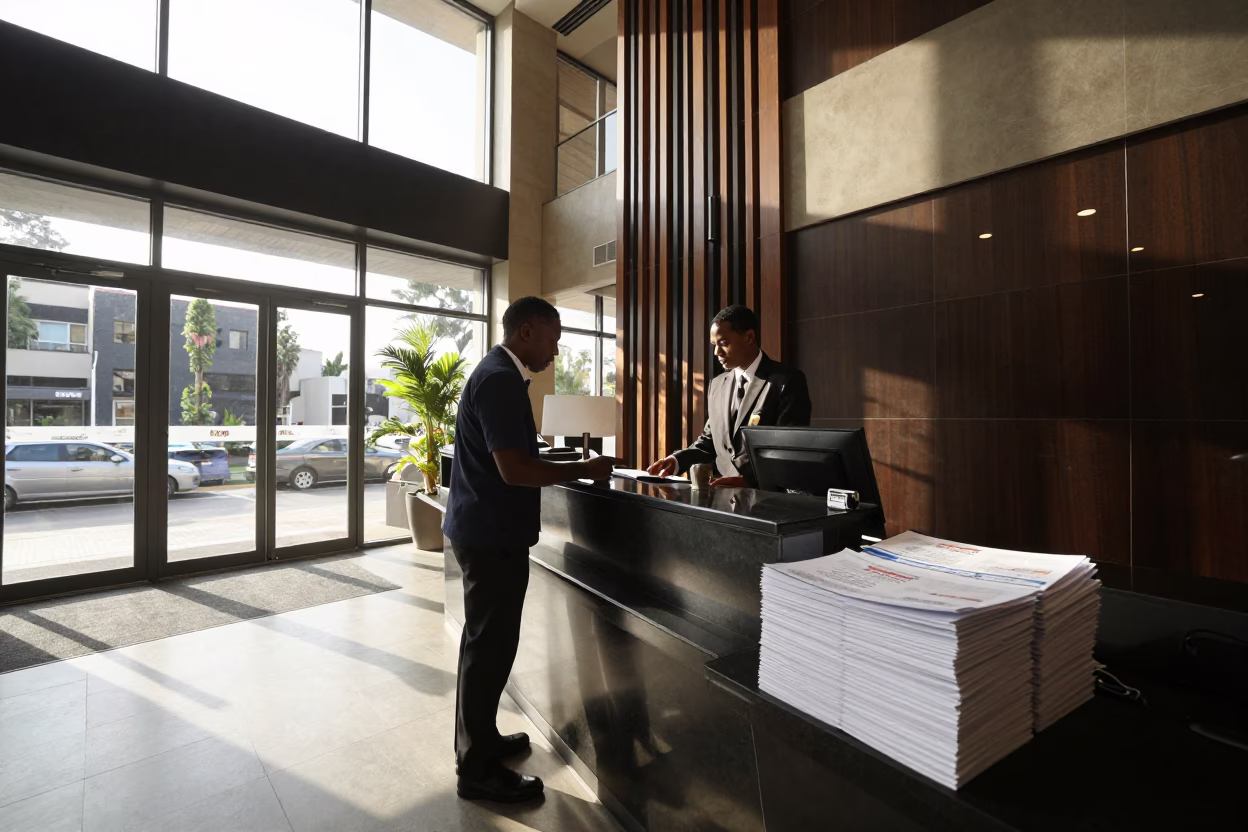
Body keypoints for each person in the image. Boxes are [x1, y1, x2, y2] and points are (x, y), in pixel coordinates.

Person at [443, 296, 615, 803]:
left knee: (484, 647)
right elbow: (514, 469)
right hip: (491, 537)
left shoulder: (497, 373)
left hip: (485, 532)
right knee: (489, 650)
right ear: (526, 331)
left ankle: (481, 740)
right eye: (553, 339)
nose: (556, 351)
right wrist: (584, 468)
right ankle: (477, 770)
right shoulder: (499, 379)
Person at [647, 304, 811, 487]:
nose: (717, 352)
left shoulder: (786, 381)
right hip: (720, 496)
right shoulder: (717, 385)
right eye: (714, 345)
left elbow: (788, 451)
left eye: (723, 343)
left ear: (749, 337)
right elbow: (709, 442)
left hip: (766, 497)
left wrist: (749, 482)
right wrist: (677, 460)